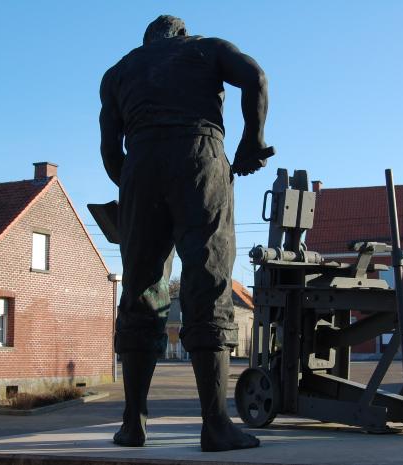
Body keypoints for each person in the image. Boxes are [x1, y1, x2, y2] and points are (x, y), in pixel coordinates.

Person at [99, 14, 270, 452]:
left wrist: (136, 193)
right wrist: (251, 140)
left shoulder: (118, 72)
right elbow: (255, 77)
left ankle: (132, 423)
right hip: (199, 157)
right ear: (181, 35)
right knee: (208, 280)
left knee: (141, 287)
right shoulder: (205, 48)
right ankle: (215, 425)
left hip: (140, 162)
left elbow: (108, 149)